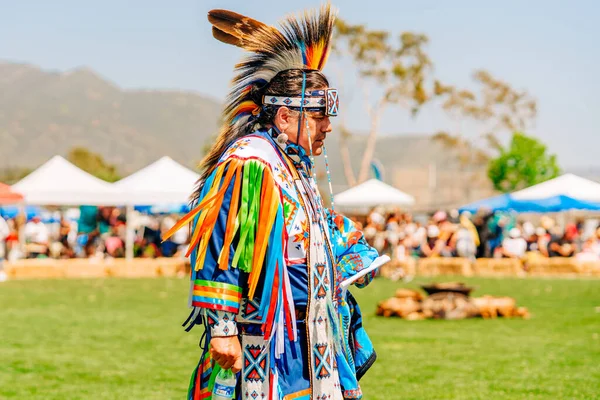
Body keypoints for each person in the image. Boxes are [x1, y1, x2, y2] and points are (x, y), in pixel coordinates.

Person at [163, 5, 381, 400]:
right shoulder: (252, 163)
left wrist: (348, 252)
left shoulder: (290, 168)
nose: (327, 126)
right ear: (284, 117)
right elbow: (225, 247)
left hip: (310, 339)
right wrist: (223, 330)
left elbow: (299, 235)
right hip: (264, 341)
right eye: (318, 116)